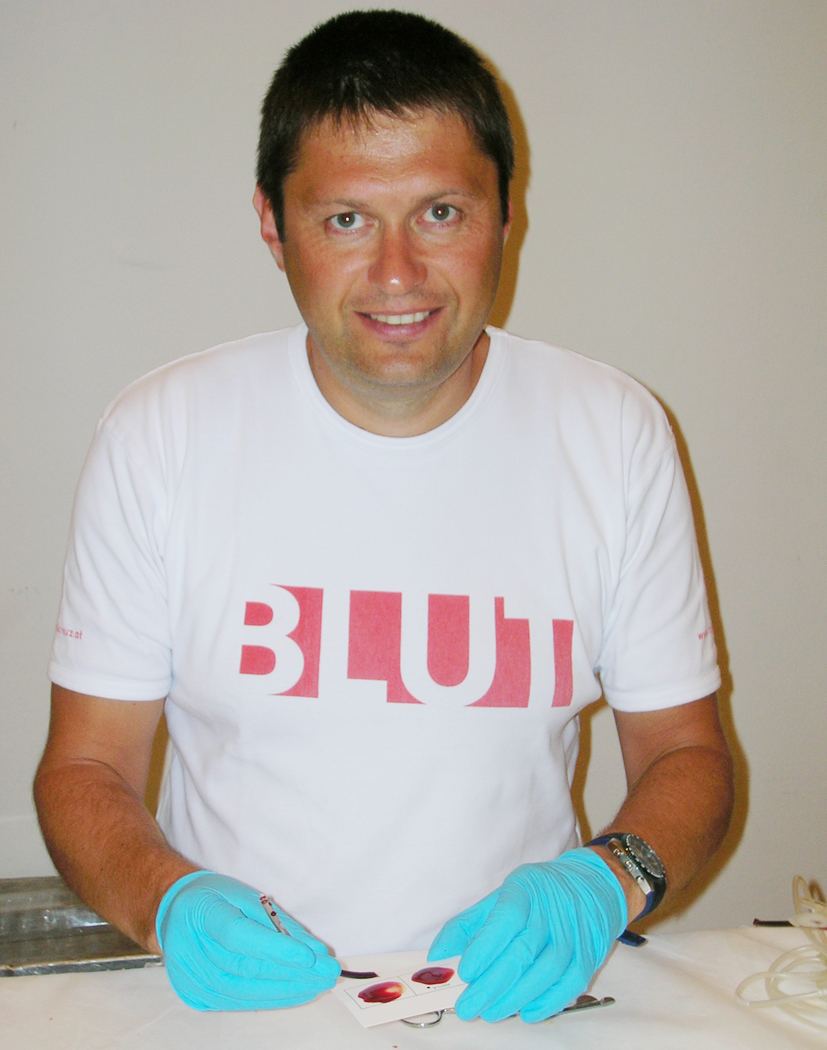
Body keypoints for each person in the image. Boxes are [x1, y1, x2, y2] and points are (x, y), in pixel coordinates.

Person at [35, 9, 733, 1024]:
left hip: (513, 1006)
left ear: (505, 213)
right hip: (237, 1017)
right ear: (273, 226)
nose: (398, 273)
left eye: (440, 212)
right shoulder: (161, 434)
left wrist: (606, 878)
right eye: (345, 220)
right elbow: (84, 764)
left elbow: (684, 754)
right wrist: (163, 900)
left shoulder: (613, 432)